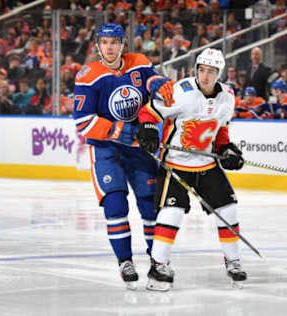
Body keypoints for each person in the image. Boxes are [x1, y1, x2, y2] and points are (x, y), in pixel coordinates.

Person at [72, 23, 174, 290]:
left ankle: (157, 261)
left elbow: (150, 79)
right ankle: (125, 262)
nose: (109, 47)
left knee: (151, 206)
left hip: (138, 149)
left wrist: (158, 83)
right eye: (104, 42)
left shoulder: (138, 61)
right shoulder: (88, 76)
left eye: (114, 42)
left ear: (122, 44)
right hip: (106, 149)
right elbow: (82, 122)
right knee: (115, 205)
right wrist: (120, 131)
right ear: (98, 45)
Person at [137, 48, 246, 291]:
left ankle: (233, 261)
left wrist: (226, 149)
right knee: (172, 212)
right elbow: (149, 112)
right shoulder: (181, 92)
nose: (205, 75)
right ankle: (159, 264)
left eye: (211, 71)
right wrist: (148, 129)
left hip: (206, 164)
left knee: (228, 209)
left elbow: (220, 130)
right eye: (201, 70)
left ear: (220, 73)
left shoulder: (227, 96)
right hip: (175, 163)